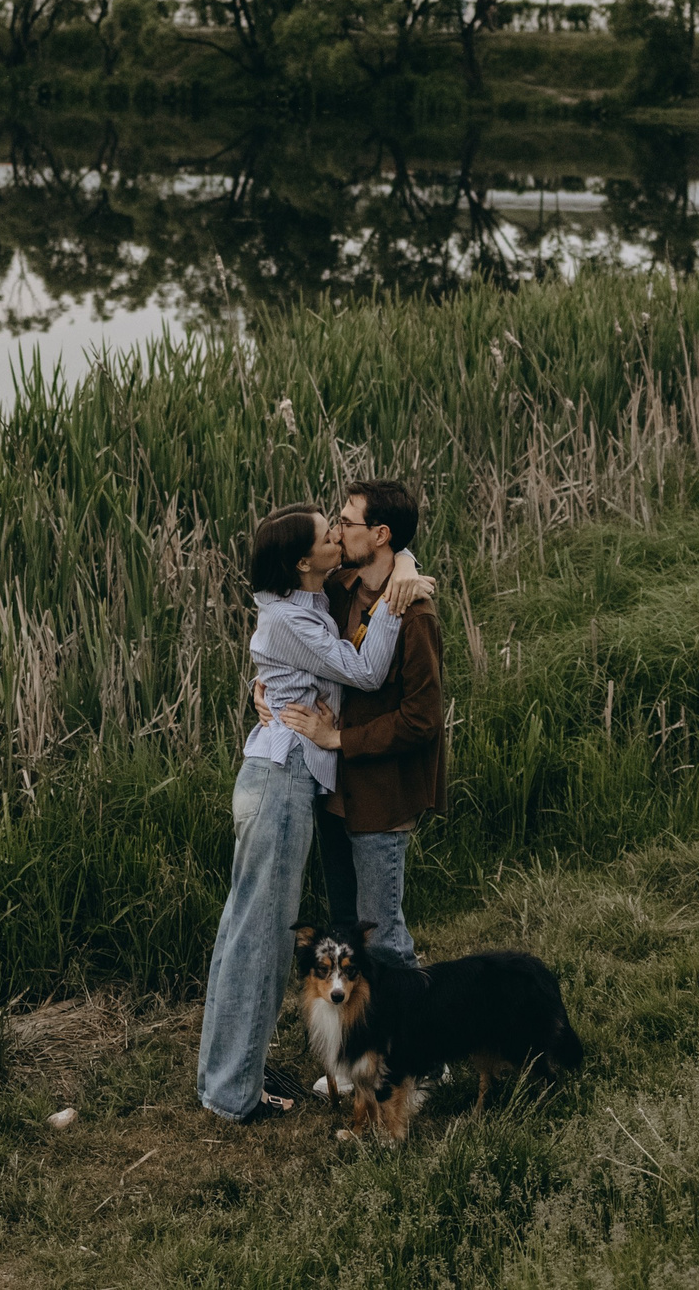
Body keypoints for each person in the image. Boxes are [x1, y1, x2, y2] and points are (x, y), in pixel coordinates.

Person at [197, 504, 427, 1124]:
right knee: (262, 938)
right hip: (281, 780)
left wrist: (404, 561)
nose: (338, 537)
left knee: (244, 928)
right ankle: (233, 1095)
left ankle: (226, 1079)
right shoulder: (290, 619)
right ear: (303, 561)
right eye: (329, 534)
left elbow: (379, 559)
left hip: (275, 775)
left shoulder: (306, 601)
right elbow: (366, 670)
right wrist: (393, 605)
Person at [265, 480, 444, 973]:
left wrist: (338, 738)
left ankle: (415, 1024)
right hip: (334, 791)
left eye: (346, 522)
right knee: (345, 929)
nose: (338, 530)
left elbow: (422, 720)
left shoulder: (415, 616)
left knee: (383, 937)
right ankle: (357, 1023)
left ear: (381, 534)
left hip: (381, 797)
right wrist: (262, 689)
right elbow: (289, 640)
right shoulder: (338, 589)